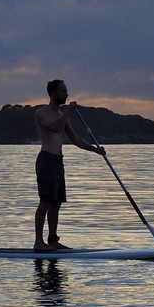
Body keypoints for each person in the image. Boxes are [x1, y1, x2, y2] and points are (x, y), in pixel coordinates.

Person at [33, 79, 106, 251]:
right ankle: (38, 242)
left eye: (66, 91)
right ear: (53, 93)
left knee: (56, 202)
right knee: (46, 201)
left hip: (58, 161)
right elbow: (55, 128)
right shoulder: (41, 113)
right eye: (63, 91)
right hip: (46, 160)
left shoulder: (62, 116)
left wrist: (95, 150)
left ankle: (52, 240)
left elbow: (75, 139)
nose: (67, 94)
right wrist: (69, 111)